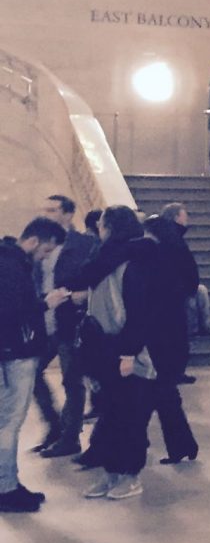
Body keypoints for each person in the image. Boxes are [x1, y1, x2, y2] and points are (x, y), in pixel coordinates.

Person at [74, 205, 160, 501]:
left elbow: (140, 313)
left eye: (101, 224)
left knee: (130, 417)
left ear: (110, 227)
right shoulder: (105, 260)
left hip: (128, 350)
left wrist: (129, 354)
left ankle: (130, 475)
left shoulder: (134, 261)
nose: (99, 229)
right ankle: (111, 472)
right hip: (104, 346)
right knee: (109, 414)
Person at [1, 217, 63, 512]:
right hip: (16, 352)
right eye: (45, 251)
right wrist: (45, 303)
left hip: (11, 350)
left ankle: (8, 482)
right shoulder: (12, 265)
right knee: (9, 423)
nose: (45, 257)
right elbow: (13, 310)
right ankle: (6, 489)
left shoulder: (9, 259)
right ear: (35, 240)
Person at [31, 192, 97, 458]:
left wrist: (84, 295)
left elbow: (97, 277)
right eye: (45, 209)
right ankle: (54, 424)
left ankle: (70, 437)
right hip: (42, 321)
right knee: (32, 373)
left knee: (72, 381)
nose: (47, 213)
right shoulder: (39, 242)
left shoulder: (84, 244)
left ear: (68, 214)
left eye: (53, 210)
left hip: (70, 322)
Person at [144, 209, 200, 464]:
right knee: (165, 393)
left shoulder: (157, 261)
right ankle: (183, 446)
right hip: (174, 333)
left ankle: (182, 446)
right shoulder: (179, 254)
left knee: (161, 392)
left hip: (161, 336)